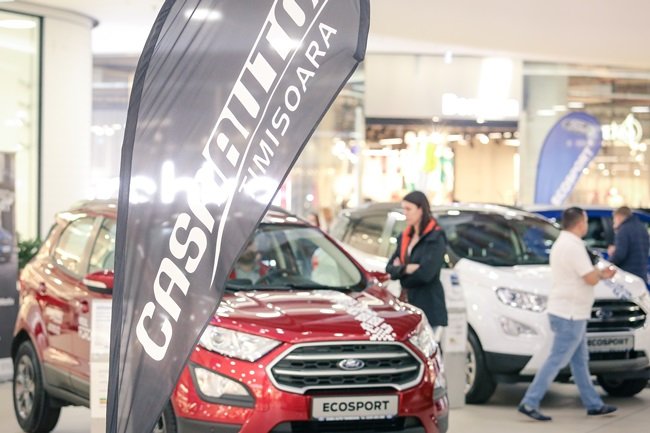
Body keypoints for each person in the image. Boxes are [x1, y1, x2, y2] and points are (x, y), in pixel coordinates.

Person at [518, 207, 617, 421]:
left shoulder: (563, 243)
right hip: (570, 314)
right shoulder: (573, 246)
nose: (586, 225)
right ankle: (530, 401)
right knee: (556, 359)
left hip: (570, 312)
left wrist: (597, 273)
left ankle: (593, 404)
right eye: (586, 221)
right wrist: (603, 274)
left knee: (579, 362)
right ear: (580, 223)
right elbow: (589, 278)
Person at [385, 191, 448, 336]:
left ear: (421, 209)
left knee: (427, 347)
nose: (405, 213)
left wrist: (400, 273)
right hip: (407, 304)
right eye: (403, 209)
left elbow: (426, 274)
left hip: (428, 306)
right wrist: (407, 268)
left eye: (409, 209)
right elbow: (389, 268)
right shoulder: (405, 236)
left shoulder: (435, 237)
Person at [607, 206, 649, 283]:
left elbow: (620, 255)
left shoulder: (623, 230)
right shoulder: (642, 228)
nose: (614, 222)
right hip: (641, 275)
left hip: (628, 276)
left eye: (614, 219)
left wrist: (608, 263)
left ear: (618, 217)